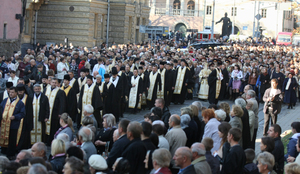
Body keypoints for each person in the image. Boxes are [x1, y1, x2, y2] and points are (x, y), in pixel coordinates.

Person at [0, 86, 25, 159]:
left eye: (12, 92)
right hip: (4, 123)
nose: (10, 94)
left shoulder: (20, 103)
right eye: (10, 92)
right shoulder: (5, 100)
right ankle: (4, 150)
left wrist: (15, 117)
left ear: (16, 93)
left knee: (12, 139)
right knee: (3, 137)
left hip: (13, 124)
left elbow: (22, 114)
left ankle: (11, 154)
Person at [43, 77, 66, 145]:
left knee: (53, 127)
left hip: (55, 112)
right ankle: (45, 140)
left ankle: (51, 141)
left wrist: (61, 113)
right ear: (50, 82)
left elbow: (63, 103)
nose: (54, 84)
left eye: (55, 83)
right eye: (53, 82)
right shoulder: (45, 90)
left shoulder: (60, 92)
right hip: (46, 112)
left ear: (58, 84)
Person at [15, 84, 33, 151]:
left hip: (25, 121)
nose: (20, 93)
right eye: (19, 91)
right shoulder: (15, 98)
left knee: (24, 135)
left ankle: (23, 147)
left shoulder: (28, 99)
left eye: (21, 91)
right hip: (16, 120)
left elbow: (30, 111)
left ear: (24, 91)